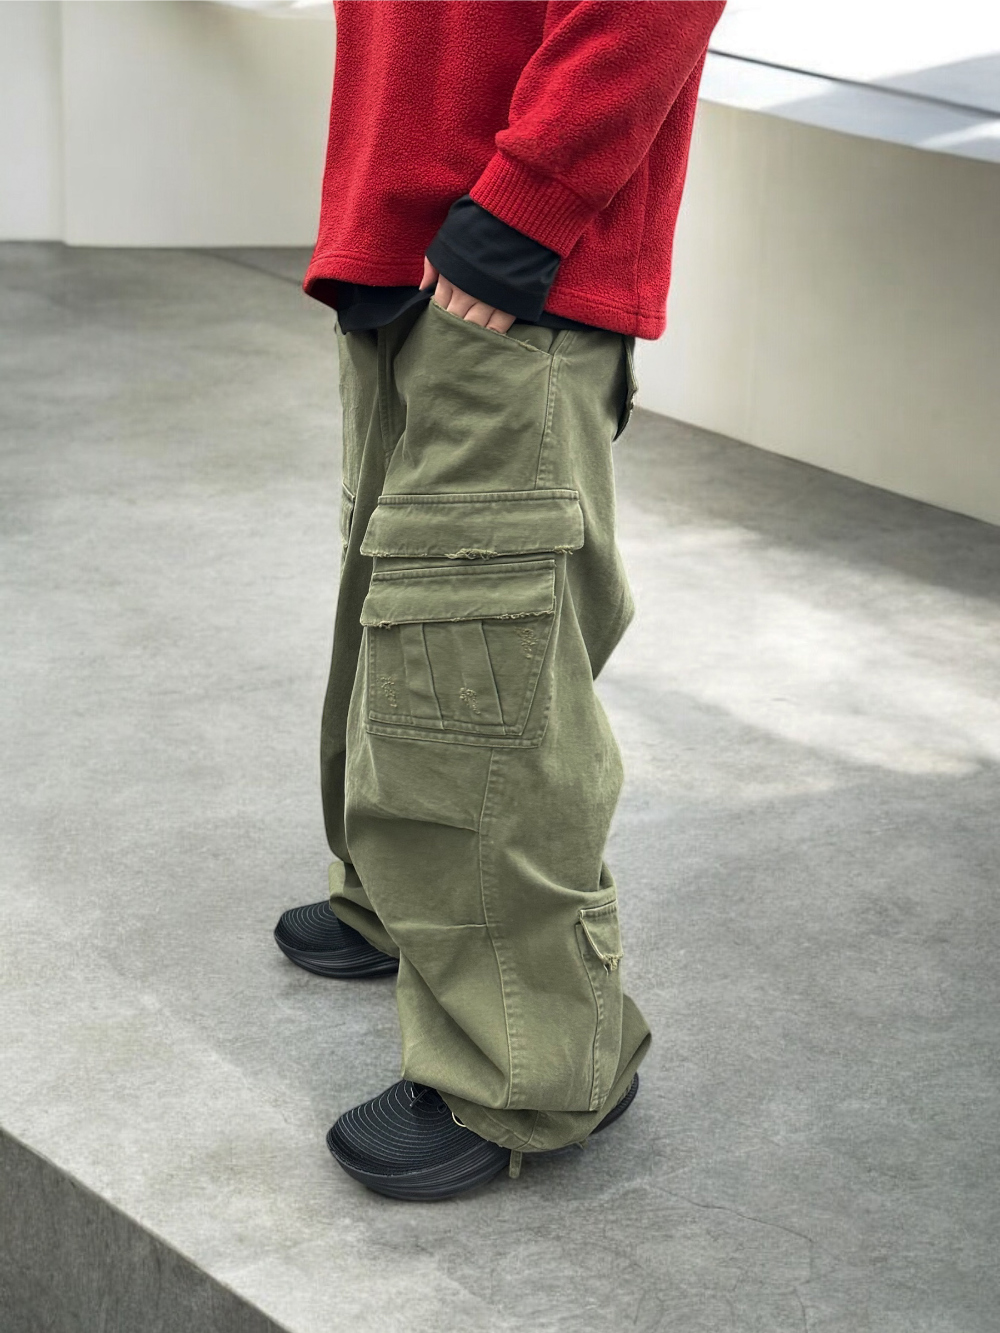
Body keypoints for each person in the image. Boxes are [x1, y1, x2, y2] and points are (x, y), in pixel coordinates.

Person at [273, 0, 726, 1201]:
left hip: (503, 265)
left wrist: (524, 206)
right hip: (400, 245)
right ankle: (395, 902)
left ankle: (526, 1065)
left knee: (477, 677)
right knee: (399, 611)